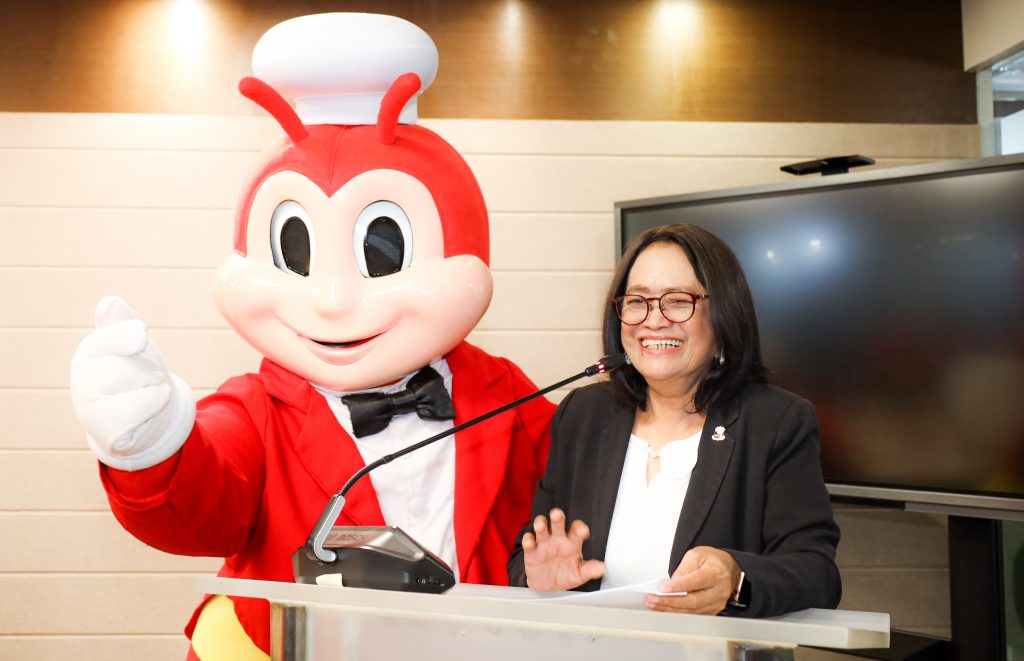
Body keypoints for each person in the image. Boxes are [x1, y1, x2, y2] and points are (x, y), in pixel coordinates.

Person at [68, 14, 553, 660]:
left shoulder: (509, 399)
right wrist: (153, 443)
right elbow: (203, 496)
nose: (332, 298)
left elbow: (608, 490)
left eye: (381, 251)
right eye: (295, 251)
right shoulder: (257, 411)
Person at [507, 223, 841, 618]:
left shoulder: (776, 422)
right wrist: (537, 578)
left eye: (678, 301)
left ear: (723, 313)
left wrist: (736, 579)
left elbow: (818, 574)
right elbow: (526, 558)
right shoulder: (584, 413)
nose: (654, 320)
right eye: (637, 301)